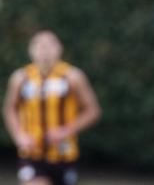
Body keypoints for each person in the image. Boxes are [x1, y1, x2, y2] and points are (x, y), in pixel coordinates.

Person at [3, 30, 101, 185]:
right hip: (31, 153)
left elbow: (93, 110)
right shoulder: (21, 77)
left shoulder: (73, 76)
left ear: (59, 48)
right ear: (30, 50)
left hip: (63, 153)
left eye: (49, 45)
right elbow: (9, 109)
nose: (44, 50)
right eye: (39, 46)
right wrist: (18, 135)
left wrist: (66, 130)